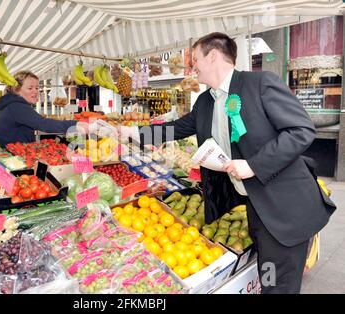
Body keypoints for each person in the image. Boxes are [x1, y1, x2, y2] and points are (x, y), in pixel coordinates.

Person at [121, 32, 336, 294]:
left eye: (195, 60)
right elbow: (177, 128)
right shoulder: (205, 102)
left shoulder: (260, 83)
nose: (192, 67)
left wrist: (254, 165)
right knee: (268, 276)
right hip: (256, 208)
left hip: (285, 209)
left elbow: (301, 131)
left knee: (278, 285)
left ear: (212, 57)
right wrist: (133, 133)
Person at [0, 71, 78, 147]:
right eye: (30, 88)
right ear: (17, 90)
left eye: (37, 88)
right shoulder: (17, 106)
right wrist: (77, 124)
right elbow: (43, 124)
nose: (35, 91)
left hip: (10, 155)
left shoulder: (12, 105)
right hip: (12, 159)